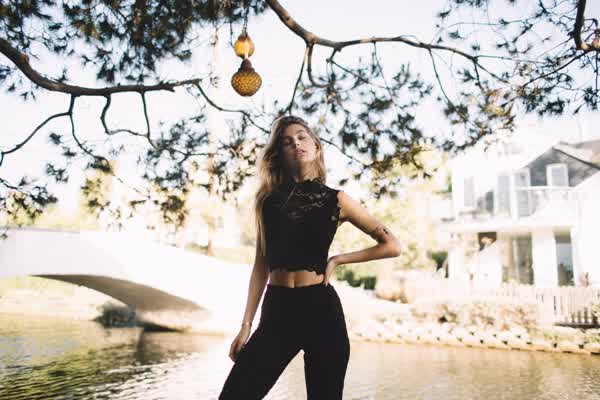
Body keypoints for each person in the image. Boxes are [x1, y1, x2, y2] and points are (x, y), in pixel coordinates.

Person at [218, 115, 402, 400]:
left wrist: (338, 259)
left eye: (302, 137)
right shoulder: (267, 202)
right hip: (277, 311)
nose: (296, 143)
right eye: (287, 142)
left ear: (316, 146)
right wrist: (246, 326)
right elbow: (260, 268)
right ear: (279, 154)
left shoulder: (337, 200)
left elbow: (391, 245)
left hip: (321, 311)